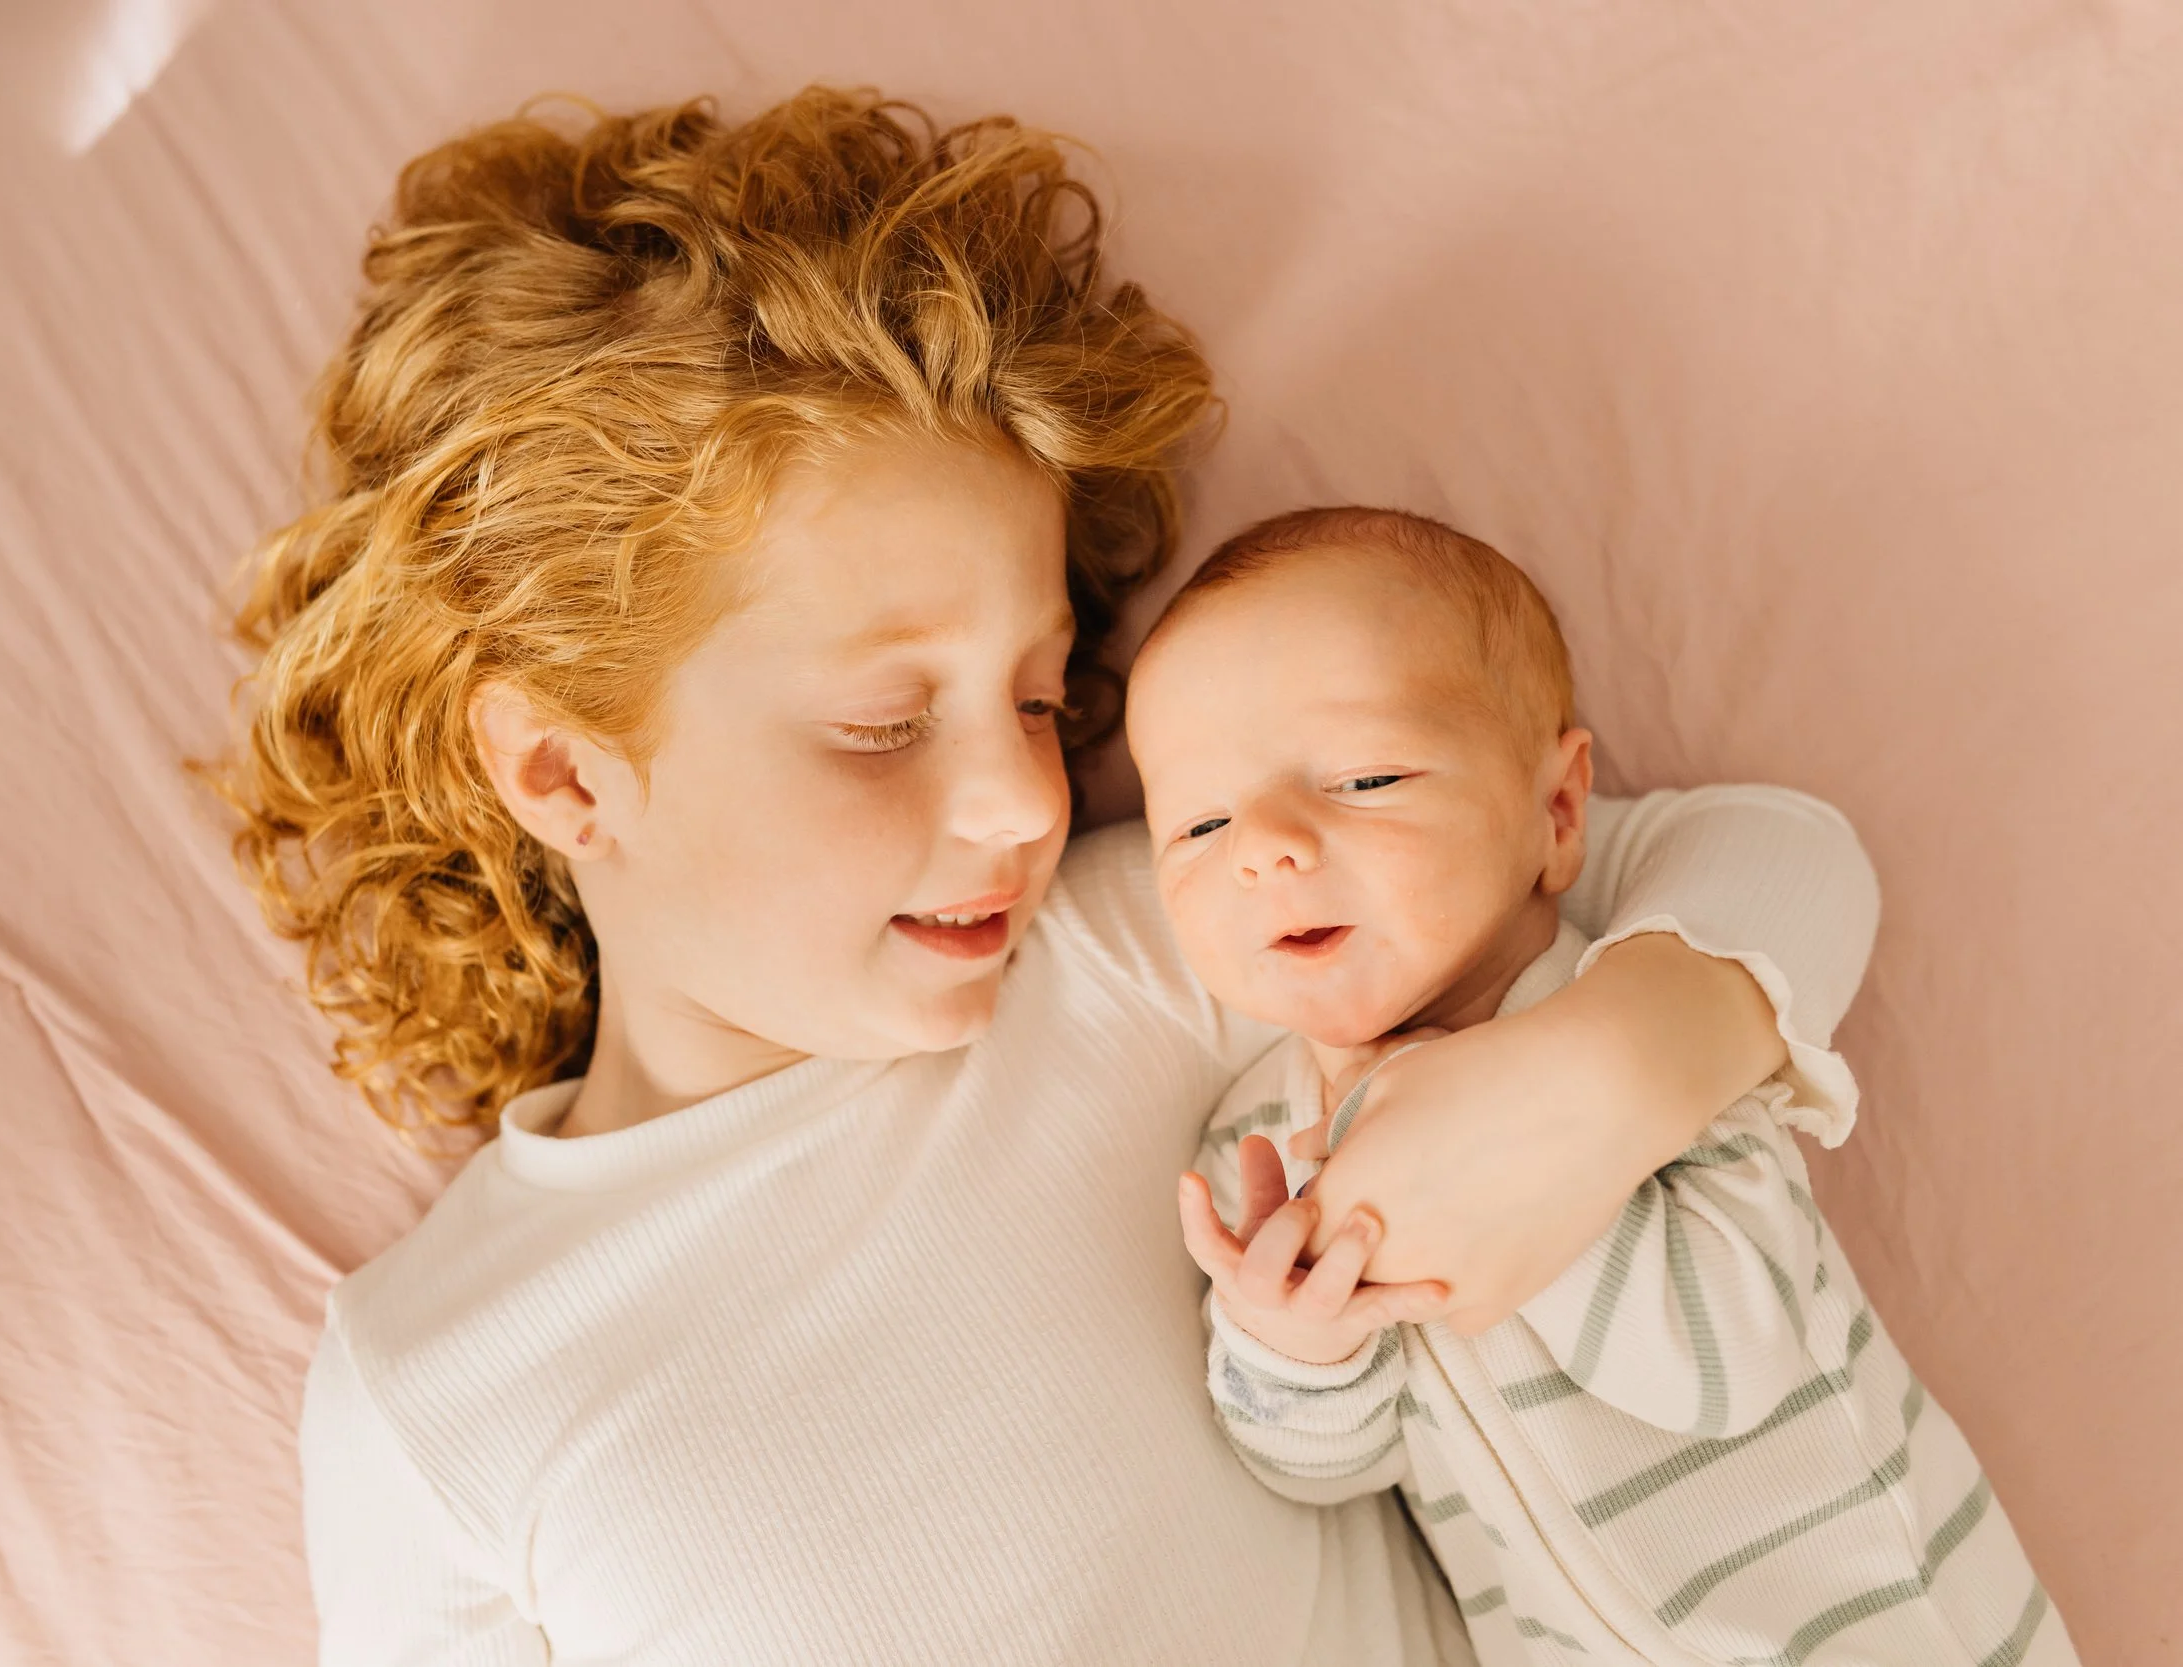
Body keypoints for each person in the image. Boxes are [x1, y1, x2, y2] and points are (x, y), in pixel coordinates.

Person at [226, 89, 1881, 1664]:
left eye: (1038, 692)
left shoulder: (1137, 957)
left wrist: (1604, 1075)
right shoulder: (433, 1382)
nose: (1025, 797)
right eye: (884, 725)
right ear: (566, 771)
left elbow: (1759, 854)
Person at [1142, 507, 2074, 1665]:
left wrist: (1481, 1137)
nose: (1263, 846)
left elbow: (1730, 1359)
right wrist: (1291, 1343)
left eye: (1364, 775)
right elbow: (1328, 1470)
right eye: (1197, 822)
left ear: (1559, 810)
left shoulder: (1629, 1010)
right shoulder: (1259, 1138)